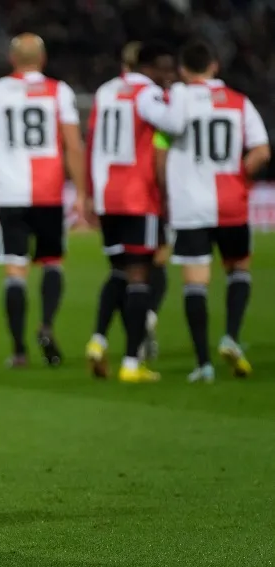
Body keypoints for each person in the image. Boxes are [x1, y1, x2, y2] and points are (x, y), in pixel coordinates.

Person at [153, 40, 270, 382]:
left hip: (190, 203)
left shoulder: (176, 101)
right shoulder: (239, 101)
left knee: (196, 283)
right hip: (230, 201)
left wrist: (164, 189)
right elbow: (261, 152)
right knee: (239, 269)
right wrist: (240, 175)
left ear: (182, 70)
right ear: (214, 65)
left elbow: (160, 147)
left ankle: (203, 364)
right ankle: (231, 336)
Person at [0, 33, 87, 368]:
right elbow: (73, 145)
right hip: (48, 191)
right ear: (43, 58)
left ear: (12, 59)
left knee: (15, 270)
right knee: (52, 262)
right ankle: (47, 325)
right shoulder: (59, 91)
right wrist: (82, 192)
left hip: (9, 191)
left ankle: (19, 350)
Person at [83, 41, 187, 383]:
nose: (167, 75)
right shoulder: (147, 93)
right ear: (149, 68)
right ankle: (131, 363)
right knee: (141, 276)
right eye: (164, 69)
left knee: (118, 271)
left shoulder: (106, 92)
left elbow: (91, 143)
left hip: (107, 195)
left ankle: (98, 340)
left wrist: (89, 193)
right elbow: (175, 124)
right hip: (137, 196)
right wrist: (177, 90)